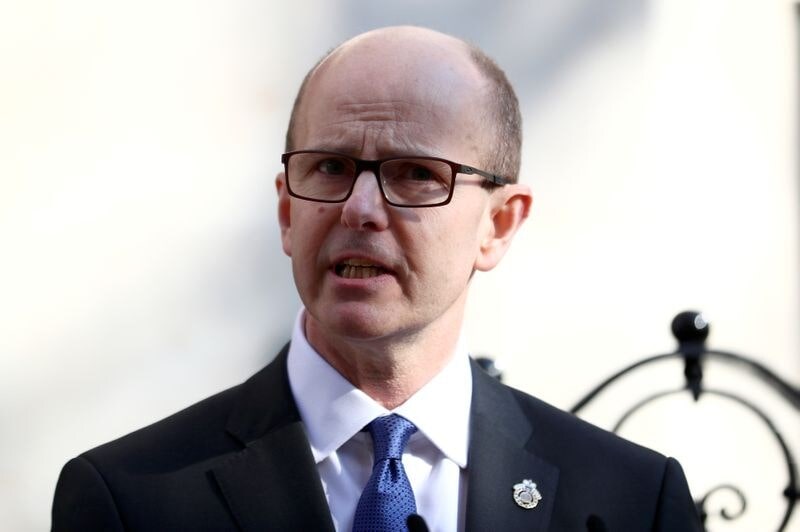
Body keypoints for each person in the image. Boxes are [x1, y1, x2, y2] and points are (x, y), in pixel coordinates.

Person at [52, 26, 702, 531]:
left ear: (499, 224)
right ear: (287, 212)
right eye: (330, 167)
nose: (359, 209)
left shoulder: (630, 501)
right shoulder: (130, 498)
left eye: (416, 173)